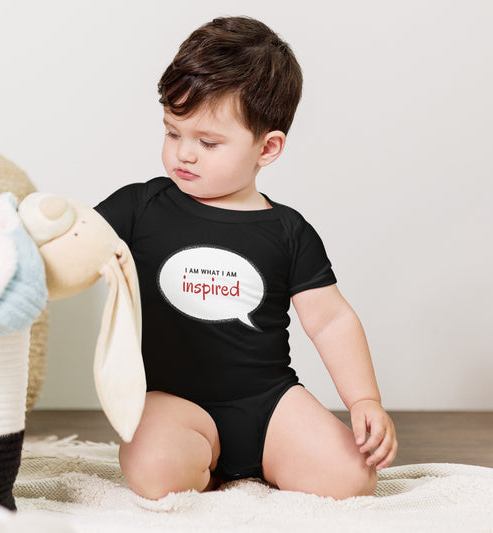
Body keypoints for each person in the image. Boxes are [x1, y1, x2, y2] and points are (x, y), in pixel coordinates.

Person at [94, 16, 397, 500]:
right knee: (154, 470)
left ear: (267, 147)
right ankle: (204, 466)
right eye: (173, 133)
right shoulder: (140, 207)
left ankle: (254, 463)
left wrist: (364, 399)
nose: (183, 154)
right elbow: (71, 241)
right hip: (173, 402)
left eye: (207, 142)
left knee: (353, 479)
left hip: (268, 403)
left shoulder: (288, 230)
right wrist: (6, 221)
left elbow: (330, 320)